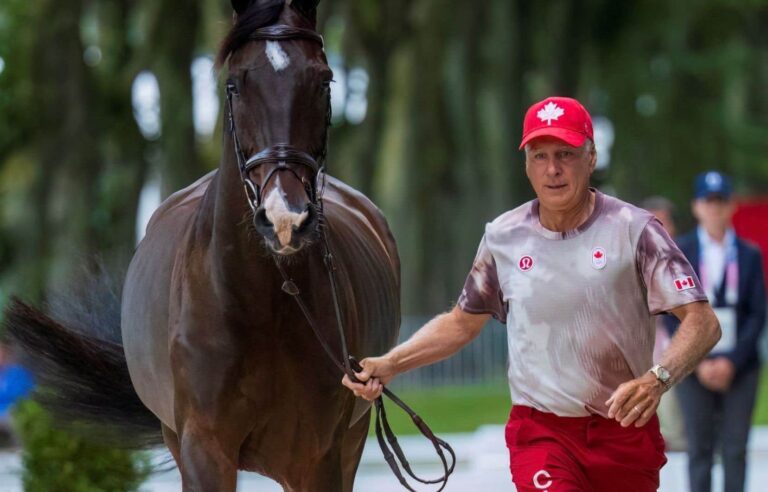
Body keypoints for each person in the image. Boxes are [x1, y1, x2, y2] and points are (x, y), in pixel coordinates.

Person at [342, 96, 721, 491]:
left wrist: (657, 379)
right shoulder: (503, 237)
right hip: (542, 433)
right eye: (539, 156)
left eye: (565, 154)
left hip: (624, 430)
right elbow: (460, 324)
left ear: (591, 158)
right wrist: (390, 363)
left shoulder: (635, 229)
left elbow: (703, 323)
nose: (553, 169)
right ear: (526, 164)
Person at [669, 171, 766, 492]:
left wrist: (733, 362)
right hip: (694, 362)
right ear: (697, 207)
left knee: (736, 448)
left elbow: (756, 313)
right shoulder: (680, 252)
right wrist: (694, 360)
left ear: (730, 207)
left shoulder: (749, 254)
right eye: (708, 202)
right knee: (700, 448)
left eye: (721, 201)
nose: (714, 208)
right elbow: (670, 311)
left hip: (740, 364)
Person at [641, 196, 687, 451]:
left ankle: (676, 436)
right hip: (641, 339)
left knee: (667, 382)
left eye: (663, 223)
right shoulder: (630, 257)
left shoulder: (685, 257)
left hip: (673, 337)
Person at [0, 342, 34, 447]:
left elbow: (24, 395)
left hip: (12, 411)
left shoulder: (18, 373)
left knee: (16, 420)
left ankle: (20, 451)